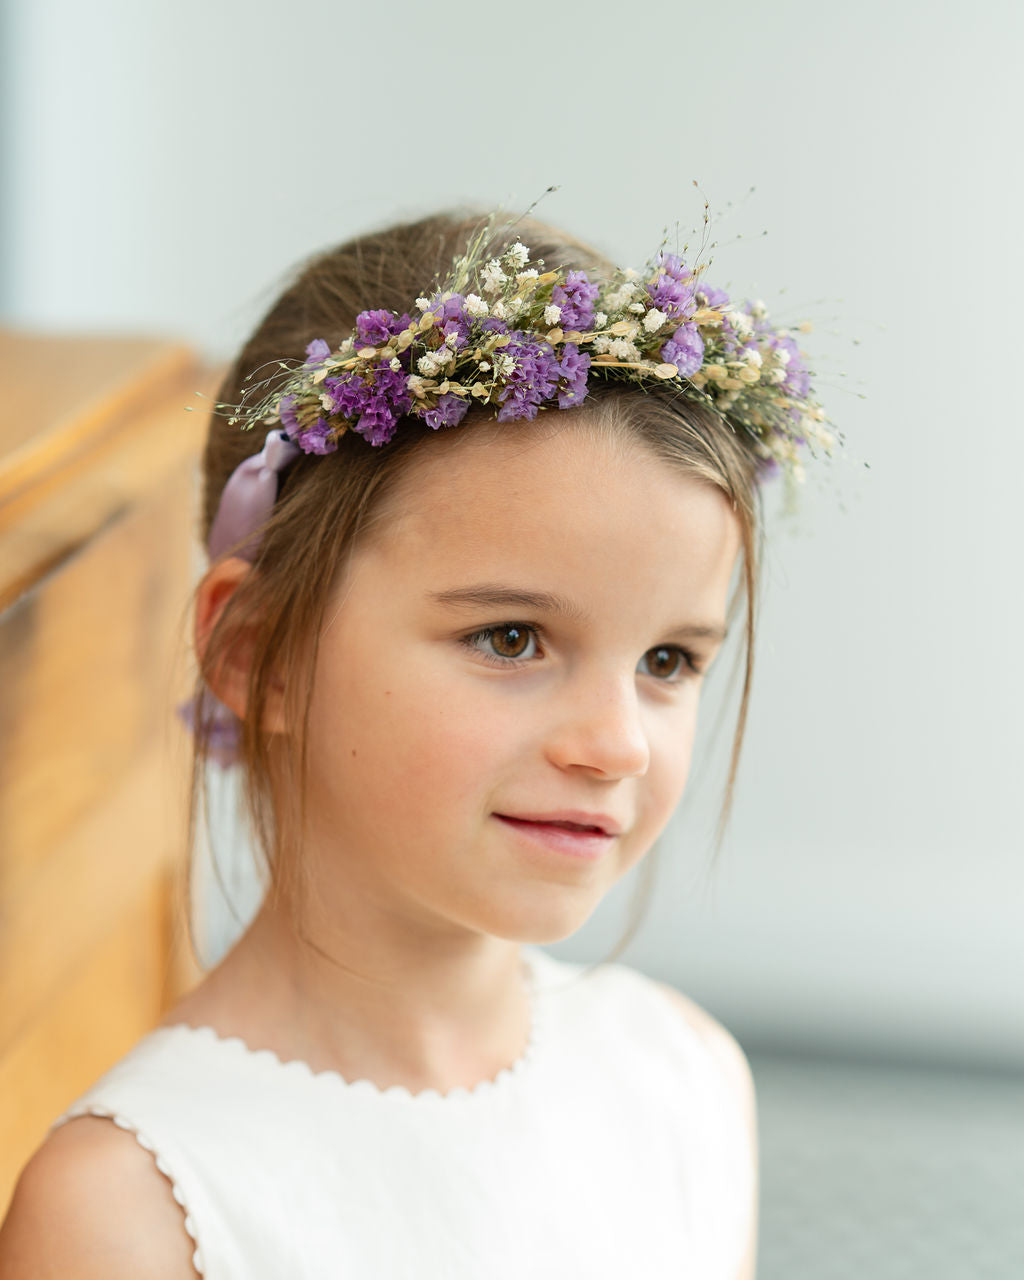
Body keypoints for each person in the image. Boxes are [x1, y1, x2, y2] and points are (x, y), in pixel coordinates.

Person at [0, 206, 834, 1279]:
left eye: (667, 660)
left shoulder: (682, 1073)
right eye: (510, 638)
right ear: (258, 654)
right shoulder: (135, 1209)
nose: (618, 744)